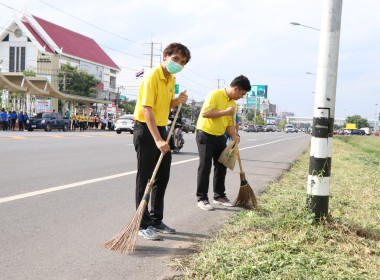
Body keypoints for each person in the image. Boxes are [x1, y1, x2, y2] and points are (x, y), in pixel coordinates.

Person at [133, 42, 190, 240]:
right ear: (165, 56)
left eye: (182, 62)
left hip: (162, 128)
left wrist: (178, 100)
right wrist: (157, 139)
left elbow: (166, 104)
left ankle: (156, 220)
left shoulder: (171, 78)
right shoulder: (151, 76)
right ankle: (142, 223)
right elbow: (147, 108)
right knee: (145, 177)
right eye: (176, 59)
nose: (178, 64)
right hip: (146, 129)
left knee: (162, 176)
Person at [195, 75, 251, 211]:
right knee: (205, 166)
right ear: (236, 88)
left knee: (221, 165)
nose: (242, 97)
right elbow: (205, 114)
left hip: (220, 135)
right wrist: (225, 112)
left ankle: (219, 195)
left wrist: (234, 135)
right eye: (242, 93)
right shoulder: (215, 94)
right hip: (205, 133)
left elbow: (229, 124)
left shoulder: (233, 104)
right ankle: (202, 198)